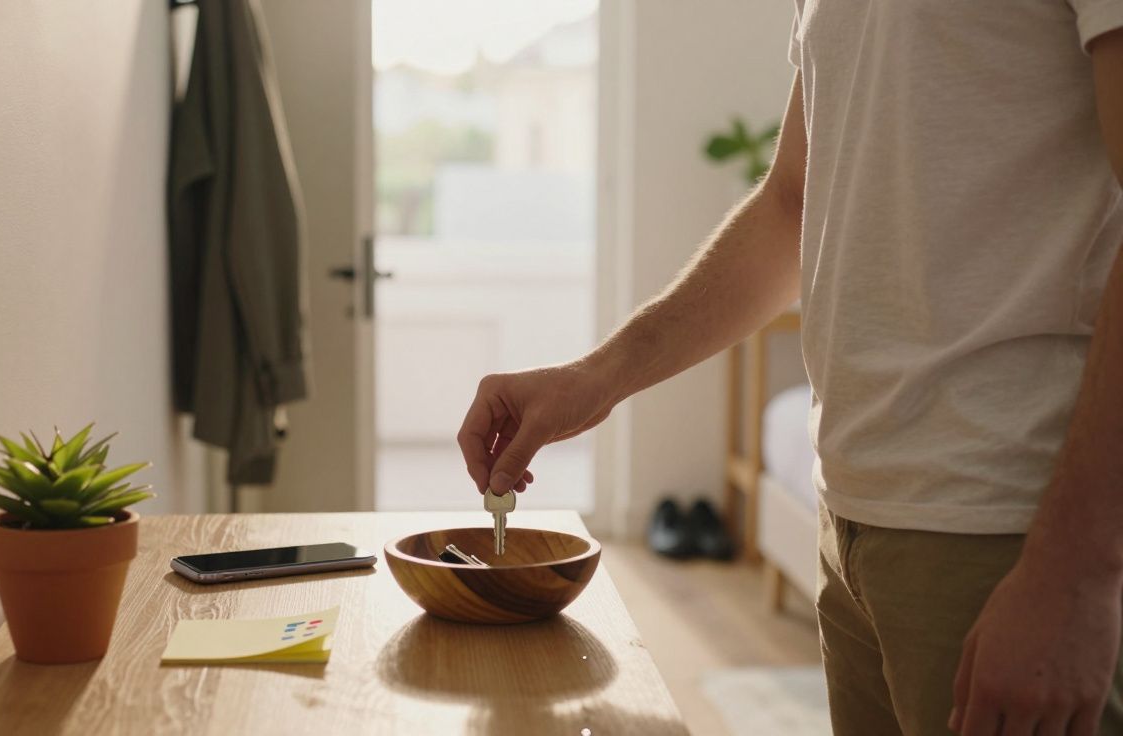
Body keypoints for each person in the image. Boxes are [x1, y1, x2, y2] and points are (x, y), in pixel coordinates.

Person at [457, 3, 1123, 734]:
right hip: (854, 521)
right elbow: (791, 204)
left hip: (1008, 528)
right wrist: (594, 378)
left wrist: (1078, 572)